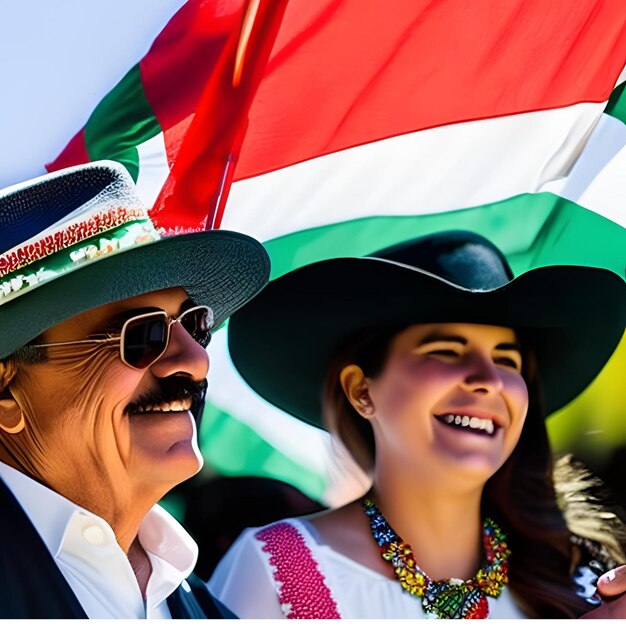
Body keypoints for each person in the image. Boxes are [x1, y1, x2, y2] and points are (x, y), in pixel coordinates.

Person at [209, 230, 626, 618]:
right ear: (361, 391)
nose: (488, 380)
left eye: (507, 360)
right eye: (446, 351)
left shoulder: (584, 582)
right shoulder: (280, 565)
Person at [0, 161, 270, 618]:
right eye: (141, 335)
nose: (197, 361)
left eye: (195, 324)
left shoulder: (204, 607)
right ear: (6, 395)